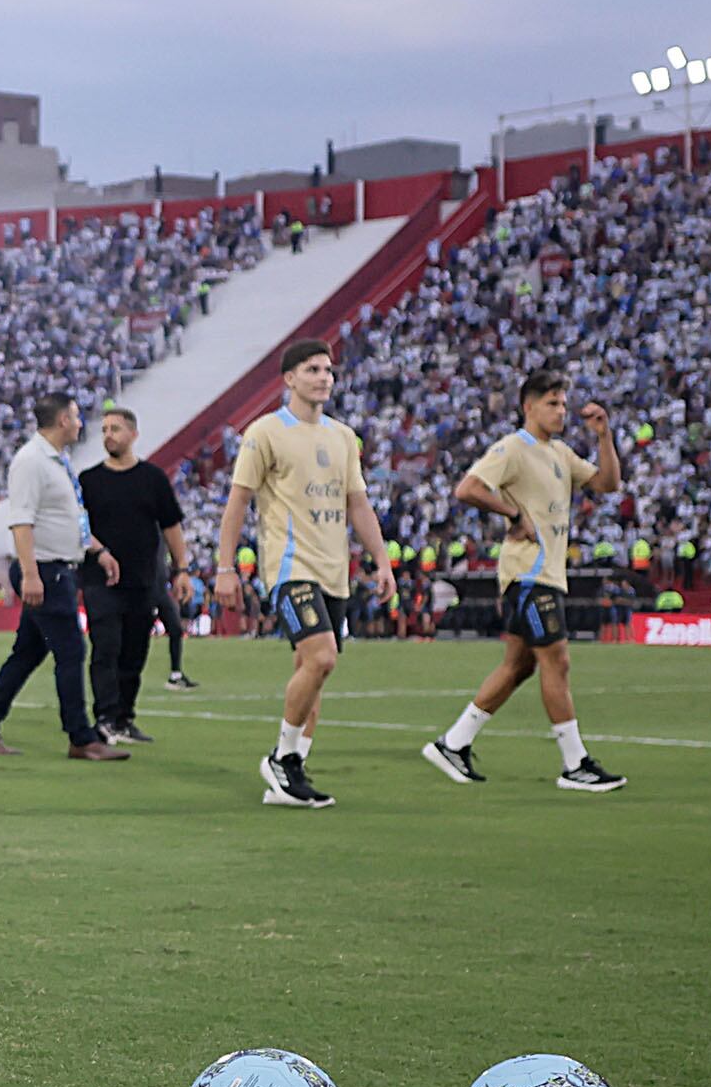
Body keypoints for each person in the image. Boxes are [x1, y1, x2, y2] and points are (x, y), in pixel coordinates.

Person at [424, 369, 630, 792]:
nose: (561, 411)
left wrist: (604, 436)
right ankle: (575, 765)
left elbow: (609, 484)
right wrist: (514, 515)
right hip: (528, 574)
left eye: (563, 404)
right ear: (529, 406)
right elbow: (468, 488)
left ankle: (453, 743)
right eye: (552, 403)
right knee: (558, 660)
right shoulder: (513, 448)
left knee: (518, 666)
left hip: (548, 575)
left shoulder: (560, 452)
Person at [213, 338, 396, 810]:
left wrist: (381, 561)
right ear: (290, 378)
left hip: (335, 569)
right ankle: (281, 759)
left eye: (328, 370)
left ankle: (290, 773)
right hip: (291, 566)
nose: (324, 378)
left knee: (311, 671)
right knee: (322, 657)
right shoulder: (265, 432)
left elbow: (358, 503)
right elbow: (238, 501)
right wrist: (225, 567)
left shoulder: (341, 436)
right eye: (313, 369)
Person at [0, 394, 127, 762]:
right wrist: (32, 574)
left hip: (56, 567)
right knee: (71, 651)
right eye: (75, 416)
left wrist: (98, 551)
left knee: (28, 652)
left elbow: (67, 520)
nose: (81, 422)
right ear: (62, 421)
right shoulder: (31, 462)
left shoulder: (55, 460)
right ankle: (80, 737)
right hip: (46, 570)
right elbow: (22, 521)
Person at [74, 405, 189, 747]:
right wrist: (99, 552)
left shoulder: (153, 479)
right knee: (105, 648)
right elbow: (79, 527)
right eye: (105, 429)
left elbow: (172, 526)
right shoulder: (89, 480)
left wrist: (181, 569)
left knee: (135, 651)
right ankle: (106, 717)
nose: (108, 435)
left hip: (144, 581)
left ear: (133, 434)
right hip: (100, 580)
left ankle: (125, 717)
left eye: (116, 429)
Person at [158, 531, 199, 692]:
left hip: (159, 587)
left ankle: (175, 675)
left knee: (176, 628)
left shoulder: (161, 529)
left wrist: (178, 575)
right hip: (143, 586)